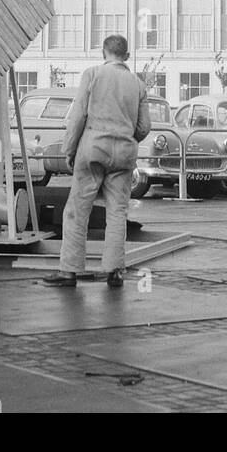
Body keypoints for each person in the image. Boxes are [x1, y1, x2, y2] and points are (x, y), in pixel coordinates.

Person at [43, 35, 151, 290]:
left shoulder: (92, 75)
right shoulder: (138, 84)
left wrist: (69, 149)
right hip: (124, 153)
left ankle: (69, 271)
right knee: (117, 212)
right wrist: (127, 137)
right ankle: (114, 270)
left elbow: (79, 115)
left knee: (78, 211)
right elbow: (144, 127)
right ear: (126, 55)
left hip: (93, 149)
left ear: (104, 52)